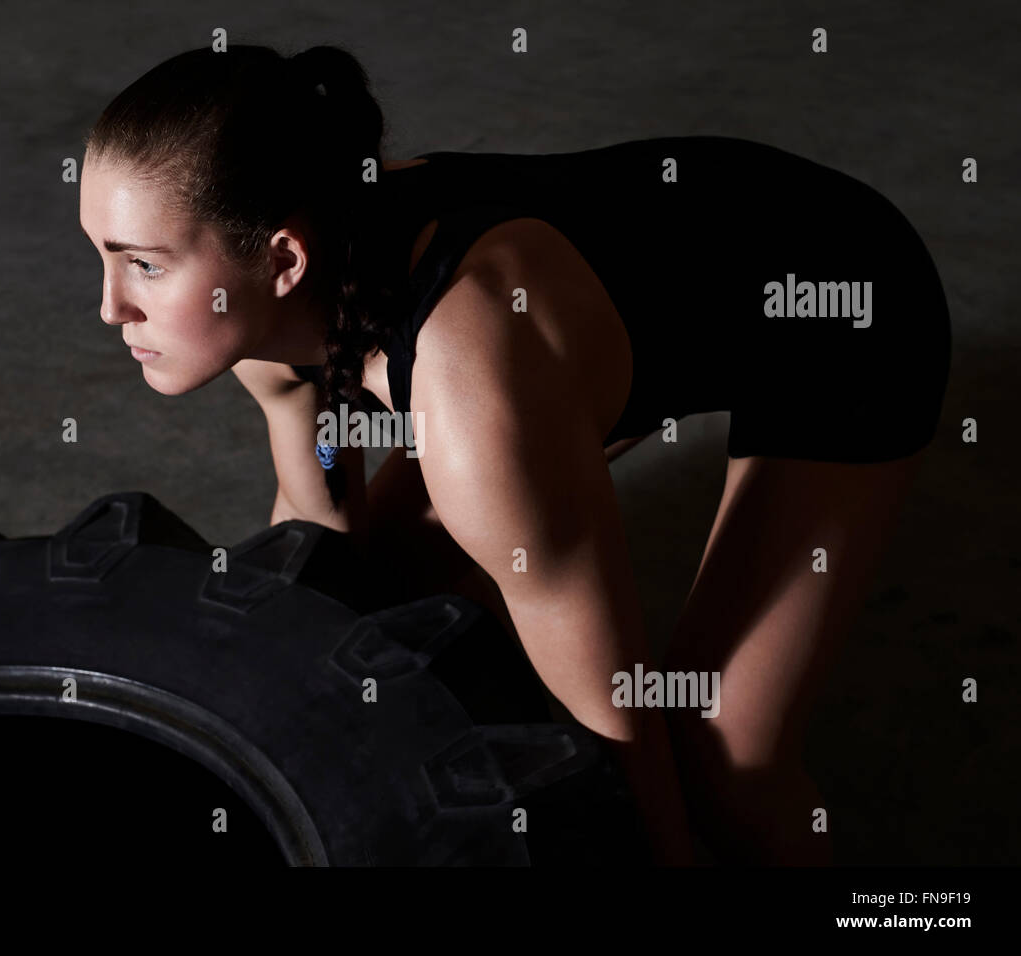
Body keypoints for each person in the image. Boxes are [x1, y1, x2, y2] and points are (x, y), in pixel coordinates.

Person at [78, 43, 952, 866]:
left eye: (143, 267)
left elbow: (616, 710)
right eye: (103, 258)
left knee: (716, 751)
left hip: (839, 301)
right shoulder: (264, 314)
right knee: (381, 581)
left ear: (284, 260)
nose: (112, 308)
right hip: (634, 297)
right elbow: (324, 570)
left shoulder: (472, 389)